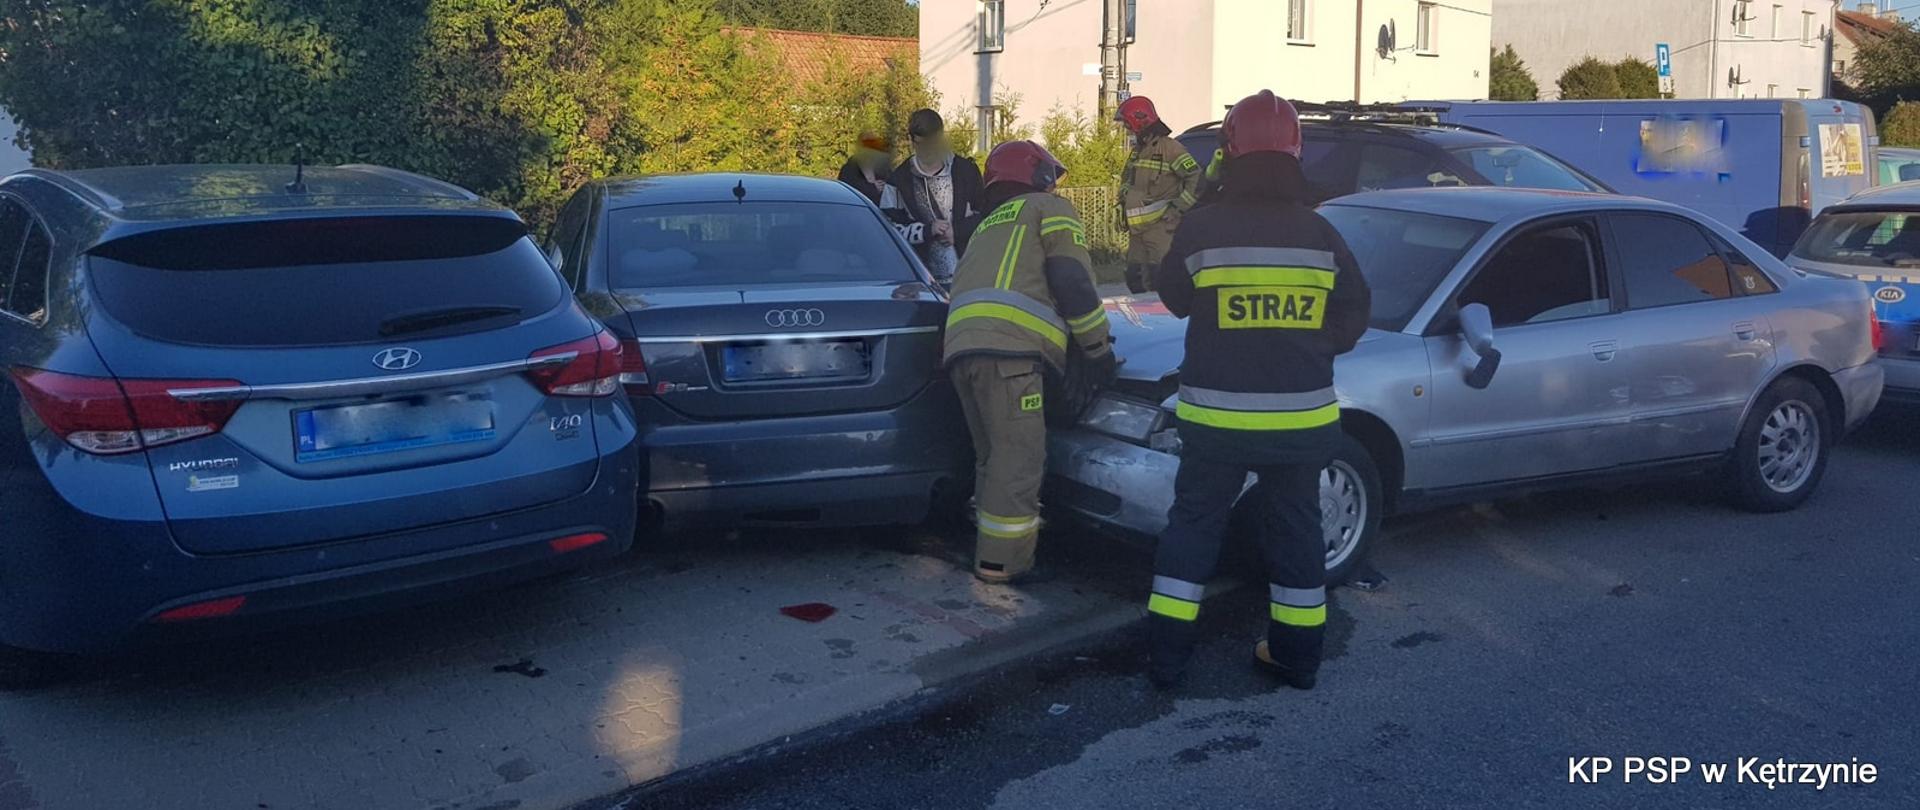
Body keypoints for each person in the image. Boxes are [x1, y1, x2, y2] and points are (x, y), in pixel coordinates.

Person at [1146, 91, 1372, 691]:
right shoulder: (1321, 234)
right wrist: (1311, 345)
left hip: (1215, 421)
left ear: (1228, 152)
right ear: (1297, 152)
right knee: (1298, 531)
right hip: (1300, 424)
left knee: (1194, 527)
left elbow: (1173, 299)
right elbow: (1354, 314)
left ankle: (1167, 660)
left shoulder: (1203, 227)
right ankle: (1297, 659)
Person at [943, 140, 1116, 584]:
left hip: (963, 351)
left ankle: (987, 545)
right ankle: (1003, 565)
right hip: (1011, 355)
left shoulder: (986, 226)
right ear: (1036, 175)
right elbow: (1072, 281)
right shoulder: (1048, 208)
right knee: (1018, 459)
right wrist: (1098, 348)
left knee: (991, 457)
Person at [885, 109, 985, 285]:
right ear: (911, 141)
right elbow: (888, 231)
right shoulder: (897, 181)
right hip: (921, 283)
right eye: (921, 145)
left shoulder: (966, 171)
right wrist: (926, 231)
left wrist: (958, 232)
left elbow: (988, 216)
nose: (928, 151)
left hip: (968, 278)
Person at [1115, 96, 1202, 294]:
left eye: (1128, 123)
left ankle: (1163, 322)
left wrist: (1178, 207)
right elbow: (1128, 179)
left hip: (1161, 228)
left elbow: (1196, 178)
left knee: (1159, 279)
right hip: (1138, 229)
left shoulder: (1171, 149)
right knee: (1134, 277)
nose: (1126, 128)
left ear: (1139, 119)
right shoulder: (1139, 150)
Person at [838, 132, 893, 205]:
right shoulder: (848, 170)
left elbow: (893, 186)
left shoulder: (883, 168)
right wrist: (873, 188)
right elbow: (847, 191)